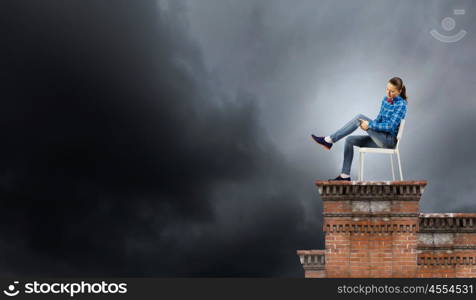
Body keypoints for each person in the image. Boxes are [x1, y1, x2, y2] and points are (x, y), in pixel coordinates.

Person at [311, 77, 408, 181]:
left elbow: (390, 126)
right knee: (349, 140)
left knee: (359, 117)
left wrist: (369, 125)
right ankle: (345, 176)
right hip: (379, 138)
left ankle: (329, 140)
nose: (388, 93)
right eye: (387, 89)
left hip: (389, 142)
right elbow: (378, 119)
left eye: (392, 91)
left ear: (399, 91)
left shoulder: (401, 104)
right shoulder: (385, 100)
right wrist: (367, 126)